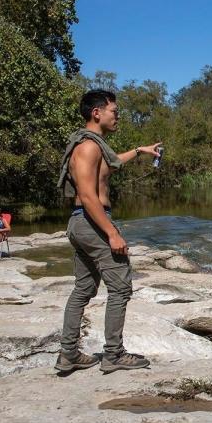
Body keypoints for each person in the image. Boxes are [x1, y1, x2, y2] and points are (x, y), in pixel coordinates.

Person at [53, 89, 162, 373]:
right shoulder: (88, 147)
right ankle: (113, 354)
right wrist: (112, 233)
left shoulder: (94, 146)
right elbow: (89, 195)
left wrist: (139, 151)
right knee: (121, 287)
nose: (118, 116)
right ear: (96, 112)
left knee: (84, 288)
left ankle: (69, 354)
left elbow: (108, 167)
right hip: (92, 220)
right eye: (114, 111)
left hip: (82, 222)